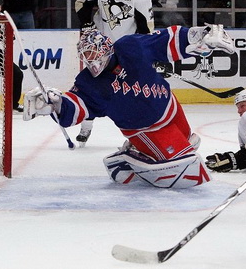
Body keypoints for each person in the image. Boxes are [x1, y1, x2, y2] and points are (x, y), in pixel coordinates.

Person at [23, 23, 235, 188]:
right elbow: (75, 108)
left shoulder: (130, 46)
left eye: (94, 55)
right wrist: (54, 105)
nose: (91, 62)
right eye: (86, 57)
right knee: (188, 165)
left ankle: (141, 154)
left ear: (106, 49)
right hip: (144, 130)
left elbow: (168, 41)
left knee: (192, 142)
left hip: (170, 107)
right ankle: (128, 159)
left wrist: (202, 35)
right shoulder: (88, 82)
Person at [74, 0, 154, 147]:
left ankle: (137, 135)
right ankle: (86, 126)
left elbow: (146, 26)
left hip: (127, 47)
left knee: (133, 91)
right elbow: (81, 4)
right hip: (101, 46)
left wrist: (145, 52)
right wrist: (86, 25)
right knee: (91, 87)